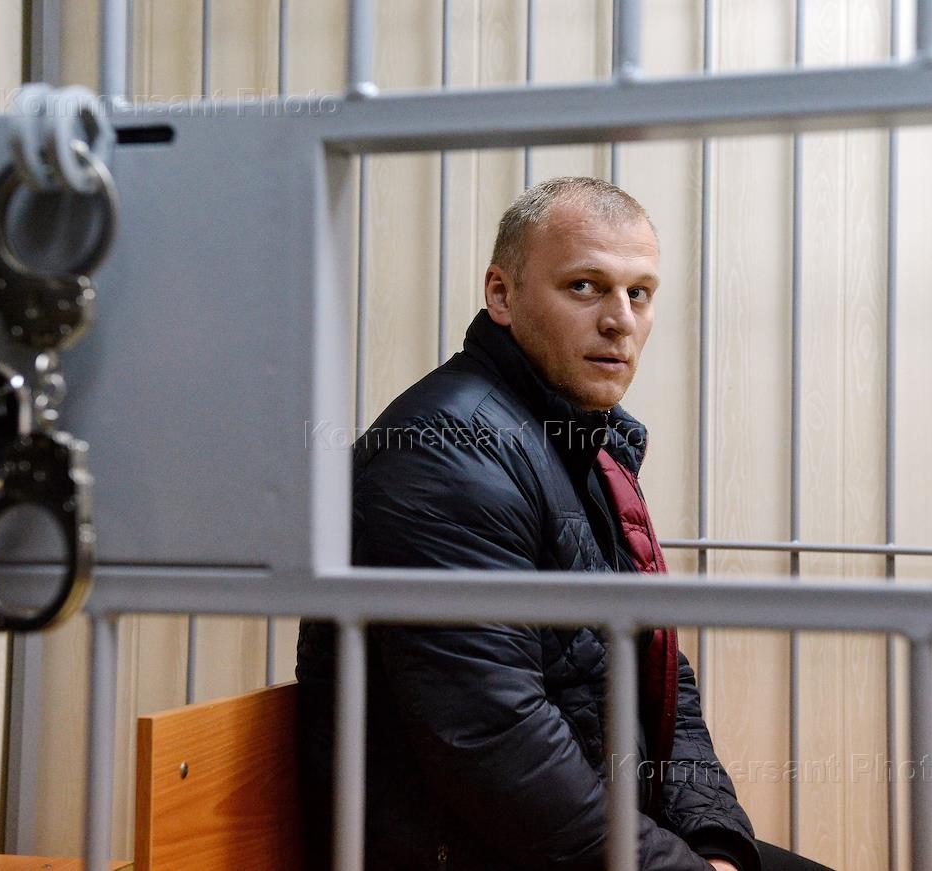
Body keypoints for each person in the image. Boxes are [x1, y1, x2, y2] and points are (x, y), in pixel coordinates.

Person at [296, 176, 832, 871]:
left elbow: (661, 676)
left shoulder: (581, 441)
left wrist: (714, 841)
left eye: (640, 293)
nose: (620, 320)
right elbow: (499, 748)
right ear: (501, 295)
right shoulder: (446, 451)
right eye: (585, 286)